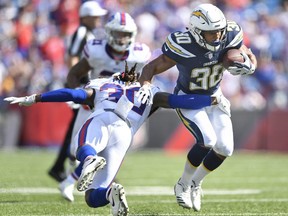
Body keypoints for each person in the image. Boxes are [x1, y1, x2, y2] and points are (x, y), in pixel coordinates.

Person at [4, 63, 218, 215]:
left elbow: (75, 95)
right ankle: (109, 194)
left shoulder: (102, 84)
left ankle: (89, 160)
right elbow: (177, 101)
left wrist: (35, 98)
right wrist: (211, 99)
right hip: (124, 134)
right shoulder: (151, 92)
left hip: (103, 117)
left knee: (83, 146)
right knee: (92, 196)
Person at [137, 3, 257, 212]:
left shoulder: (231, 33)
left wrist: (250, 64)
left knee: (225, 148)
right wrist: (145, 84)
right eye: (211, 33)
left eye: (219, 30)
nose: (218, 36)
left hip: (214, 97)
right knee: (208, 140)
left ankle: (196, 183)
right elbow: (152, 66)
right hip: (189, 98)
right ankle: (183, 183)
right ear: (196, 31)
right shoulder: (183, 44)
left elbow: (246, 52)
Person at [55, 11, 151, 201]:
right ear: (108, 32)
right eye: (118, 33)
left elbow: (146, 79)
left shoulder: (140, 54)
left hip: (121, 108)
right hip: (95, 103)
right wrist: (79, 95)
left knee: (108, 149)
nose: (122, 38)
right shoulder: (96, 49)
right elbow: (74, 73)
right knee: (78, 149)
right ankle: (70, 180)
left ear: (132, 35)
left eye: (125, 34)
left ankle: (75, 182)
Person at [48, 0, 108, 182]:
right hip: (81, 86)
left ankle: (60, 166)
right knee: (78, 126)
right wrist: (76, 83)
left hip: (86, 86)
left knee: (76, 127)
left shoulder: (89, 32)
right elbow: (73, 56)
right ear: (86, 16)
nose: (98, 19)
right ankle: (69, 165)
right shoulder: (82, 32)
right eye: (95, 16)